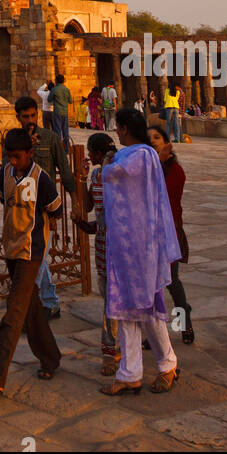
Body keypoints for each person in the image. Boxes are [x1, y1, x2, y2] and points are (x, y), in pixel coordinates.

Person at [99, 108, 182, 396]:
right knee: (126, 310)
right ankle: (130, 373)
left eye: (117, 129)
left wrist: (105, 164)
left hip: (142, 245)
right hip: (125, 245)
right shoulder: (132, 156)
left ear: (123, 129)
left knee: (148, 309)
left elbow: (113, 174)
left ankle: (168, 363)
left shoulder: (141, 156)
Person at [0, 129, 62, 394]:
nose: (13, 162)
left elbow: (55, 208)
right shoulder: (5, 174)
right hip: (11, 247)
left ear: (30, 154)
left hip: (31, 251)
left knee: (14, 311)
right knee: (30, 307)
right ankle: (51, 357)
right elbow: (5, 199)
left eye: (18, 157)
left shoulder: (41, 179)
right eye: (10, 157)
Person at [12, 95, 76, 320]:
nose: (29, 120)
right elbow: (8, 174)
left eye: (32, 115)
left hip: (44, 212)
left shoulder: (49, 137)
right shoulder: (14, 140)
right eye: (25, 116)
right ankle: (50, 301)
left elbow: (65, 170)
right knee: (34, 258)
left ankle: (24, 307)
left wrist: (75, 200)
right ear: (17, 117)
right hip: (21, 211)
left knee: (35, 259)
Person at [71, 132, 120, 375]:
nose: (89, 155)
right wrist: (81, 178)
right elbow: (89, 207)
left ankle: (111, 351)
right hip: (105, 243)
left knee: (112, 302)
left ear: (98, 153)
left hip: (116, 246)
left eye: (91, 151)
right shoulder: (98, 174)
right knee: (113, 300)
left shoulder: (112, 174)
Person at [148, 119, 194, 344]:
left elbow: (161, 194)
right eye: (149, 141)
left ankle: (184, 321)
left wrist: (157, 163)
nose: (153, 143)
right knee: (151, 284)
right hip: (148, 232)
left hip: (169, 232)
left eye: (157, 138)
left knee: (171, 282)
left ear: (167, 143)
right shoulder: (146, 169)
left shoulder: (176, 171)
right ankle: (154, 332)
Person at [50, 74, 72, 151]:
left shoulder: (54, 89)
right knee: (65, 131)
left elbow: (49, 99)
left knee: (57, 131)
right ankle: (67, 149)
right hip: (65, 112)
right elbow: (70, 101)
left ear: (56, 81)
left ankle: (59, 149)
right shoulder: (66, 89)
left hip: (57, 112)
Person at [162, 78, 183, 143]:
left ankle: (167, 139)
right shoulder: (178, 92)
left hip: (169, 107)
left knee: (168, 123)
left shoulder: (167, 91)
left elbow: (165, 100)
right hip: (176, 107)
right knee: (176, 123)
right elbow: (177, 99)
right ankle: (177, 139)